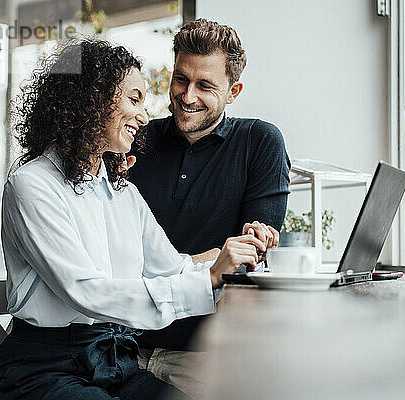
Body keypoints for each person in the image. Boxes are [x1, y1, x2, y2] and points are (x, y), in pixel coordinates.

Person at [0, 38, 274, 400]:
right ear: (92, 100)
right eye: (134, 99)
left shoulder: (122, 193)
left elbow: (170, 268)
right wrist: (209, 278)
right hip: (40, 372)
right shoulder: (32, 185)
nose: (144, 117)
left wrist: (225, 262)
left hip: (111, 363)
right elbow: (87, 291)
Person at [128, 19, 291, 396]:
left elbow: (245, 260)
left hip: (207, 359)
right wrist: (209, 261)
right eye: (181, 79)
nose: (187, 96)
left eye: (205, 86)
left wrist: (236, 252)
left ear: (233, 91)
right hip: (125, 352)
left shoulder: (259, 142)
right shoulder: (137, 140)